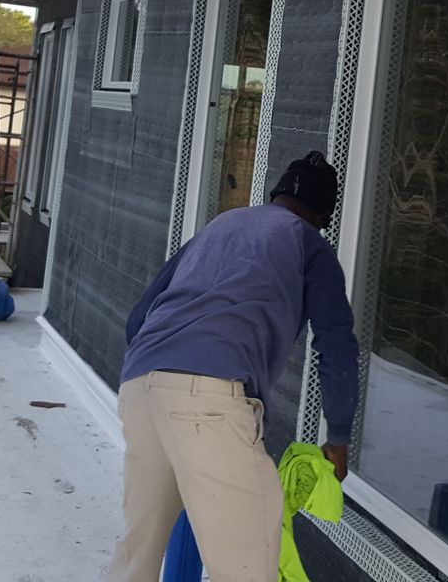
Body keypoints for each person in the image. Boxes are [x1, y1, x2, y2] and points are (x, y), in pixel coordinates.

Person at [105, 151, 359, 582]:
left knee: (137, 551)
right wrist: (337, 438)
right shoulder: (309, 243)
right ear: (321, 218)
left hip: (140, 388)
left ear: (275, 196)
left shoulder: (219, 226)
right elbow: (335, 345)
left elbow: (138, 319)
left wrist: (162, 376)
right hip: (207, 404)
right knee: (246, 564)